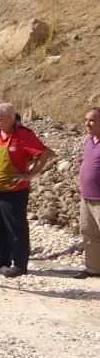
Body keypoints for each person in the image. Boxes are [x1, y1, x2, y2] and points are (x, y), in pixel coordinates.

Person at [0, 104, 55, 278]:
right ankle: (3, 258)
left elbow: (44, 154)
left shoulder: (24, 135)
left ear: (10, 118)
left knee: (16, 228)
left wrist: (29, 175)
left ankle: (20, 264)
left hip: (14, 191)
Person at [77, 107, 100, 279]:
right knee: (88, 232)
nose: (87, 124)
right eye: (86, 120)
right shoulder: (88, 140)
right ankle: (93, 269)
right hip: (86, 196)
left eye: (91, 120)